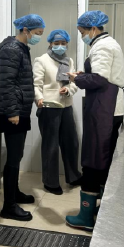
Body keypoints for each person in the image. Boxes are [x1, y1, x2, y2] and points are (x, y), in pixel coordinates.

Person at [65, 11, 124, 232]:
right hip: (108, 107)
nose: (82, 36)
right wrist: (85, 73)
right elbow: (103, 74)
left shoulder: (102, 46)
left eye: (82, 32)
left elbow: (99, 79)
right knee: (102, 157)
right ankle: (100, 209)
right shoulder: (107, 43)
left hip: (104, 110)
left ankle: (86, 216)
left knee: (94, 159)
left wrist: (77, 78)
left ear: (93, 29)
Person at [0, 14, 45, 222]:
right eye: (37, 33)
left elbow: (21, 80)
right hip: (13, 112)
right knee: (14, 157)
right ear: (26, 30)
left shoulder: (22, 48)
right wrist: (13, 112)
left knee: (17, 155)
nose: (38, 37)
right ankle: (8, 206)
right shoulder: (11, 49)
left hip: (20, 109)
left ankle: (14, 193)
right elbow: (6, 83)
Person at [33, 29, 83, 195]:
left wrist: (68, 90)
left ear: (67, 44)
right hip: (49, 107)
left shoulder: (69, 61)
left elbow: (73, 82)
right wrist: (39, 99)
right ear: (50, 43)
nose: (60, 46)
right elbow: (36, 85)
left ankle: (73, 176)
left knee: (71, 143)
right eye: (56, 43)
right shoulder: (42, 60)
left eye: (63, 43)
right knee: (51, 146)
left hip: (66, 106)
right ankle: (50, 182)